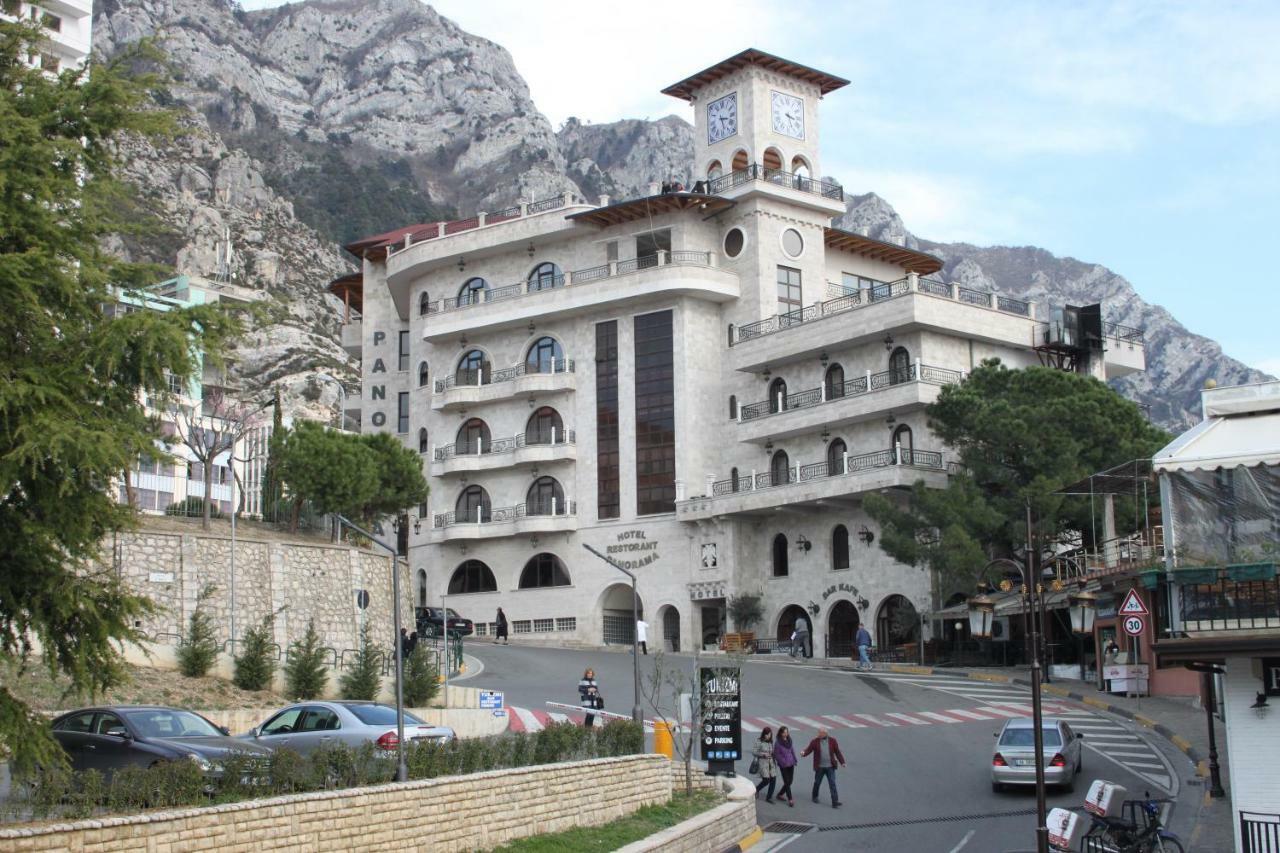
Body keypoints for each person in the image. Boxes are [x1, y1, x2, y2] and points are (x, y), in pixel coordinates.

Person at [801, 728, 846, 808]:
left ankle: (834, 801)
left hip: (830, 767)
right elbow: (809, 749)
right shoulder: (815, 741)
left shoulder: (832, 741)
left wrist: (842, 762)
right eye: (818, 733)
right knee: (817, 782)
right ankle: (815, 796)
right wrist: (803, 753)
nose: (818, 734)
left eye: (820, 733)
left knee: (832, 783)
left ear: (825, 734)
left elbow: (837, 752)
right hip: (820, 767)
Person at [773, 725, 798, 807]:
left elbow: (792, 750)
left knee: (790, 781)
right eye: (784, 732)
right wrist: (782, 762)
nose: (786, 734)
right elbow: (776, 755)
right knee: (787, 782)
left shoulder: (789, 740)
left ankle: (780, 794)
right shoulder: (778, 743)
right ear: (780, 733)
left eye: (787, 732)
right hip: (783, 765)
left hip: (791, 763)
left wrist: (795, 759)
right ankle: (790, 799)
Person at [752, 726, 776, 803]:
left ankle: (769, 797)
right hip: (763, 763)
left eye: (770, 735)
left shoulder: (770, 742)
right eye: (768, 735)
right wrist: (763, 755)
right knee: (766, 780)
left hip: (771, 763)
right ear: (764, 734)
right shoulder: (759, 741)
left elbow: (772, 752)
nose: (769, 736)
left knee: (773, 779)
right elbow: (754, 752)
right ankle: (757, 789)